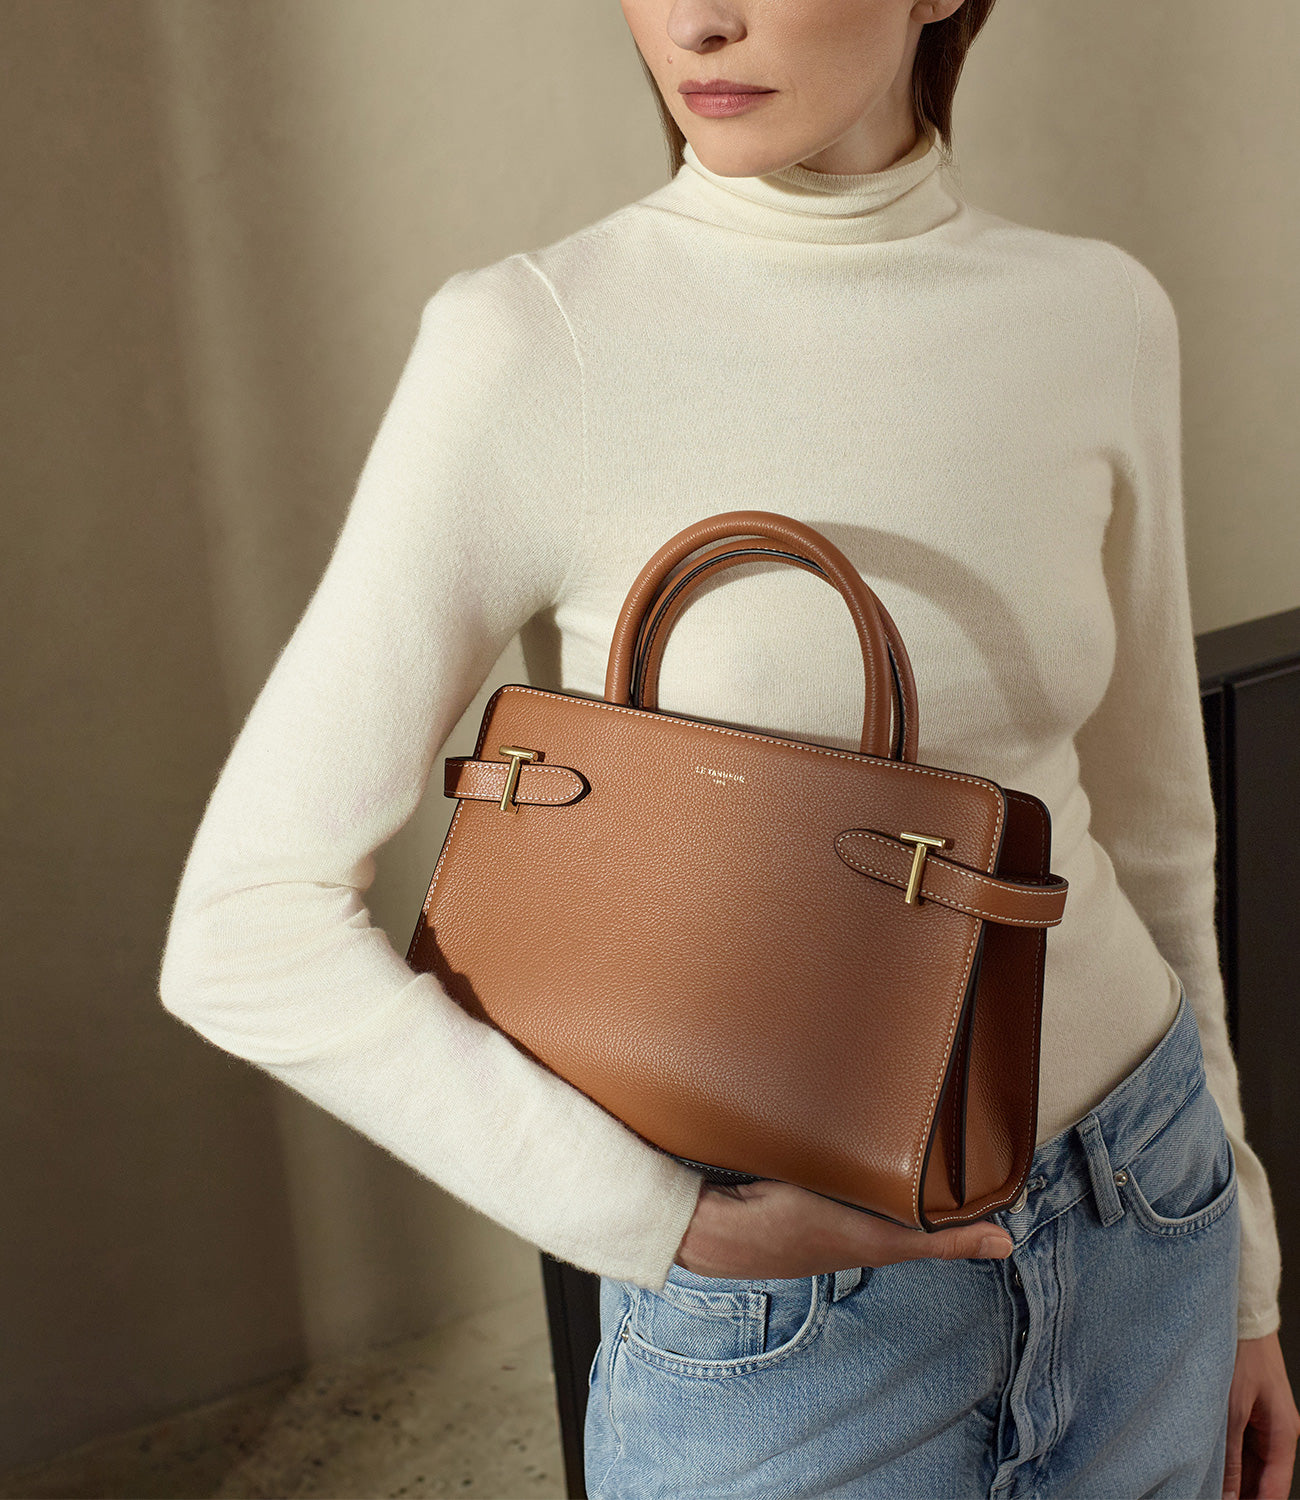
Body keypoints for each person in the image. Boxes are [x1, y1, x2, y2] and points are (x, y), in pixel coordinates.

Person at [157, 0, 1296, 1494]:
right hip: (793, 1329)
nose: (697, 20)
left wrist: (1246, 1275)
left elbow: (1156, 833)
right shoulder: (532, 342)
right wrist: (662, 1225)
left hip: (1145, 1205)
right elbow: (245, 928)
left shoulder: (1099, 314)